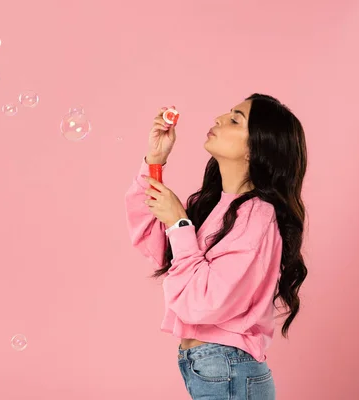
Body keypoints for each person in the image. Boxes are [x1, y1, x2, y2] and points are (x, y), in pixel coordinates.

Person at [124, 94, 308, 399]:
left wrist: (180, 224)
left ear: (256, 149)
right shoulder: (208, 205)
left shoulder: (258, 216)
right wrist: (154, 162)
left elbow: (206, 301)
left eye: (236, 119)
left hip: (228, 368)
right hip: (212, 368)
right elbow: (151, 238)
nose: (220, 118)